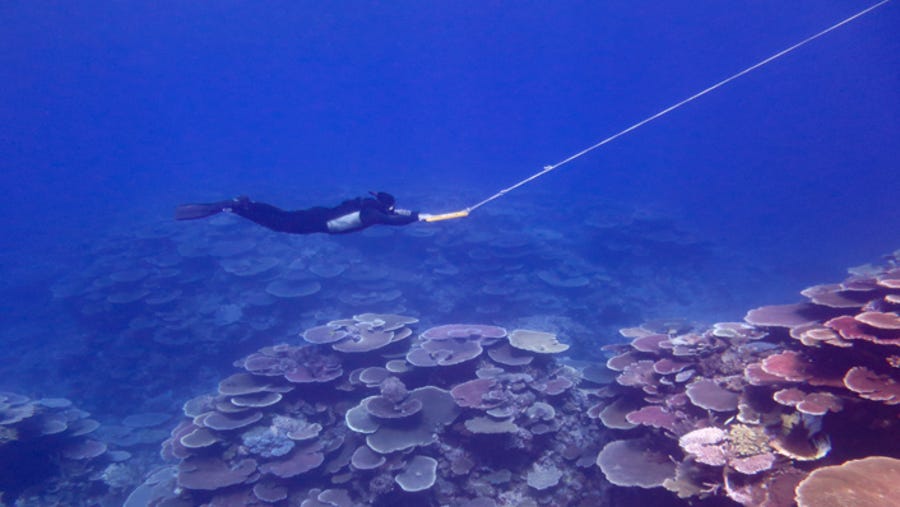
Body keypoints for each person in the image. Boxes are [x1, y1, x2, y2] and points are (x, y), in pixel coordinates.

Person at [175, 192, 428, 234]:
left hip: (319, 215)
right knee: (279, 224)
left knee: (283, 216)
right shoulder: (373, 215)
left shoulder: (366, 205)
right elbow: (392, 220)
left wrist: (415, 213)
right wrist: (418, 217)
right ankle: (234, 207)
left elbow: (394, 214)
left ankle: (247, 203)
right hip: (318, 223)